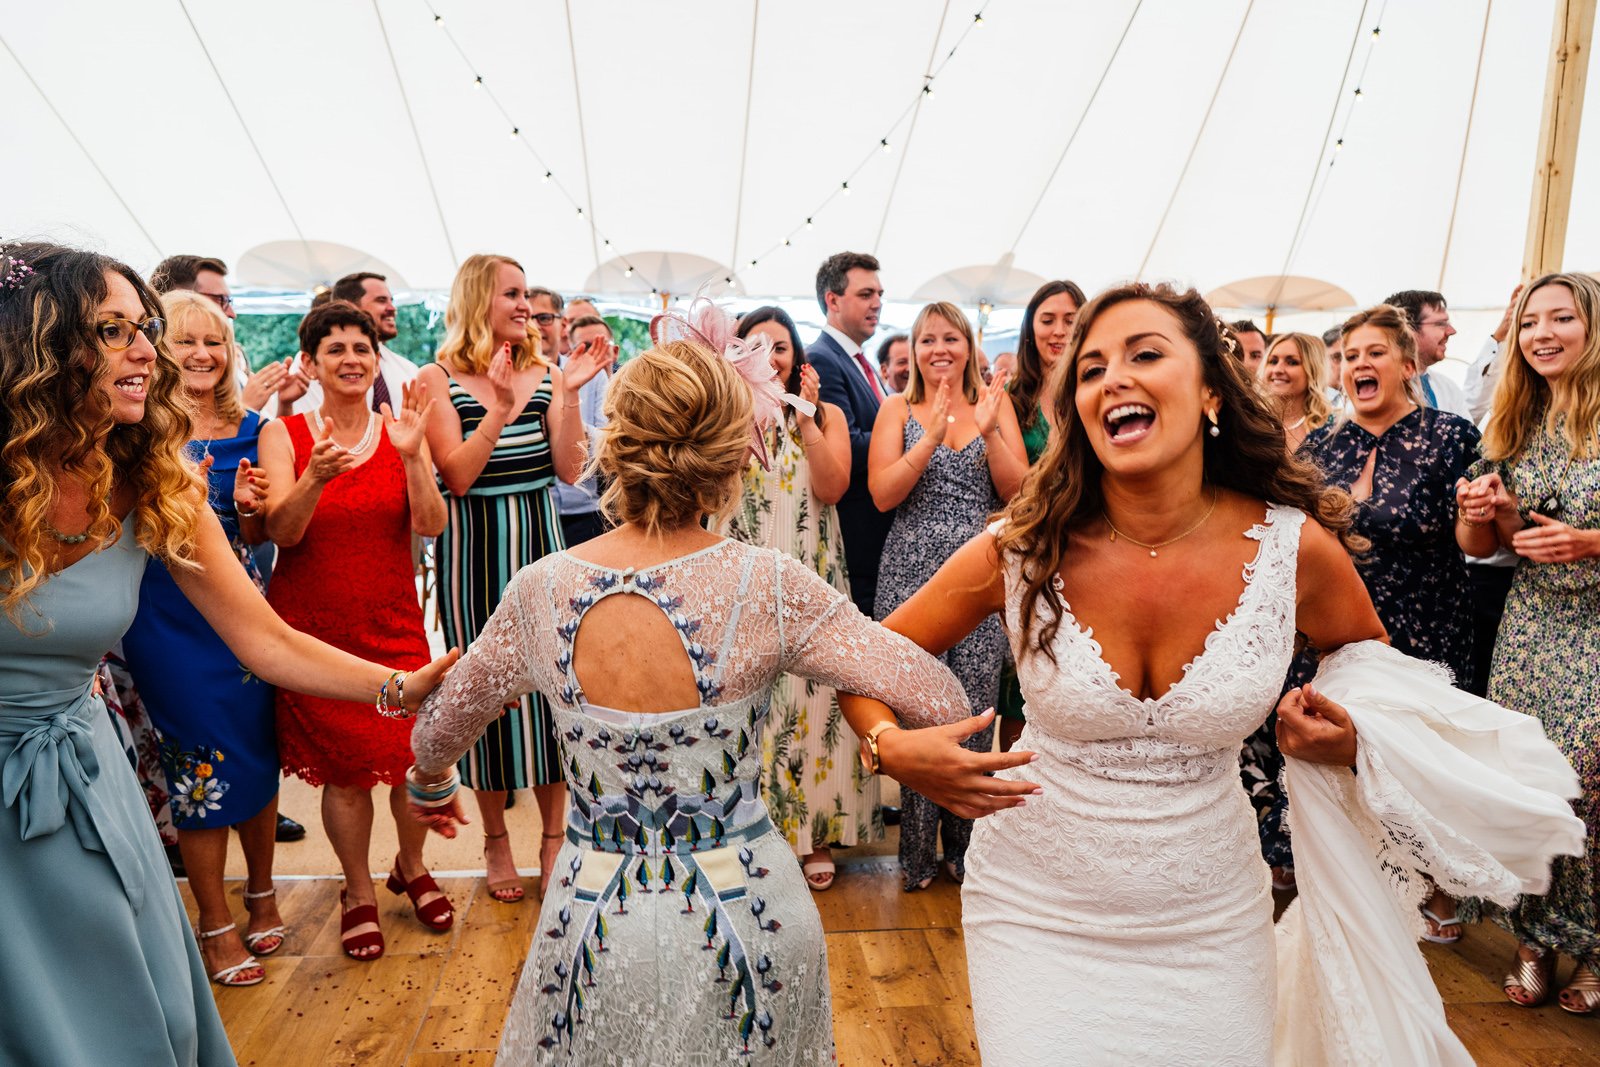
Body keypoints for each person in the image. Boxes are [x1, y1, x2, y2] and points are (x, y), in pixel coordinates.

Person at [839, 280, 1583, 1065]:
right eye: (1090, 370)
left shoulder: (1292, 549)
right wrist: (891, 747)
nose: (1112, 379)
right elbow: (861, 658)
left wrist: (1348, 727)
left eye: (1144, 354)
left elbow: (1367, 661)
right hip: (1037, 909)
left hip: (1211, 920)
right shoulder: (1019, 549)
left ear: (1210, 391)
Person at [405, 319, 1037, 1064]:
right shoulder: (768, 585)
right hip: (750, 920)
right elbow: (938, 696)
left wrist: (428, 783)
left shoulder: (539, 590)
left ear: (616, 442)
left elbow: (435, 733)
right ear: (738, 450)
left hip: (591, 920)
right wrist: (883, 742)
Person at [0, 241, 455, 1066]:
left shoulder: (150, 477)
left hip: (85, 782)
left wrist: (402, 687)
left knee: (127, 1012)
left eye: (146, 328)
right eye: (116, 332)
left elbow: (266, 638)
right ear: (42, 348)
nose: (149, 351)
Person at [259, 301, 452, 960]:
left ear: (377, 359)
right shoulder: (284, 435)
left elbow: (430, 525)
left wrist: (416, 456)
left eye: (360, 348)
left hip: (394, 623)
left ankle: (412, 863)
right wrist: (314, 476)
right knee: (346, 774)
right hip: (316, 633)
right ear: (309, 362)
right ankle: (357, 889)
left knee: (410, 761)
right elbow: (282, 533)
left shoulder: (400, 428)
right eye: (334, 348)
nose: (350, 359)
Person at [416, 259, 609, 904]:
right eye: (513, 294)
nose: (527, 305)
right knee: (489, 695)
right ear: (478, 299)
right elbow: (460, 478)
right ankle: (496, 839)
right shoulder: (436, 380)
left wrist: (574, 393)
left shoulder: (547, 375)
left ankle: (555, 837)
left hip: (543, 544)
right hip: (475, 555)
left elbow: (572, 471)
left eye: (528, 294)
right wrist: (497, 410)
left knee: (555, 688)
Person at [119, 289, 283, 988]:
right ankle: (213, 922)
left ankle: (264, 890)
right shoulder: (133, 433)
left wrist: (250, 511)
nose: (200, 354)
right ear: (159, 352)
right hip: (164, 619)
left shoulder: (255, 427)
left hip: (241, 610)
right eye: (183, 341)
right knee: (197, 766)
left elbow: (264, 536)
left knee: (257, 748)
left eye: (212, 341)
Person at [1457, 272, 1600, 1013]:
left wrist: (1593, 543)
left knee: (1589, 780)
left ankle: (1595, 946)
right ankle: (1533, 939)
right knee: (1526, 775)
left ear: (1593, 325)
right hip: (1533, 621)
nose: (1542, 332)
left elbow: (1576, 541)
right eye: (1531, 321)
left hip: (1597, 628)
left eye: (1562, 318)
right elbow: (1484, 543)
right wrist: (1486, 508)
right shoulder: (1515, 418)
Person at [867, 301, 1027, 889]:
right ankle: (913, 856)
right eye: (928, 339)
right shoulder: (895, 409)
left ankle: (968, 851)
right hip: (909, 570)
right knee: (916, 709)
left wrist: (988, 433)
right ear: (912, 349)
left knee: (977, 707)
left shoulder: (996, 404)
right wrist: (929, 437)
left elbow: (1021, 492)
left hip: (980, 572)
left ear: (968, 346)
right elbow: (883, 493)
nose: (940, 349)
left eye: (951, 338)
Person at [723, 306, 865, 892]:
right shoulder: (728, 417)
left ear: (796, 356)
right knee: (753, 704)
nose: (770, 355)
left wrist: (806, 417)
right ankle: (757, 832)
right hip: (746, 578)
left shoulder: (824, 414)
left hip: (813, 572)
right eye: (756, 345)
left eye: (779, 346)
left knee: (816, 702)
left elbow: (833, 487)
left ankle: (818, 836)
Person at [995, 280, 1086, 750]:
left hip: (1094, 542)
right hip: (1034, 545)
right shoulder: (1014, 396)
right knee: (1023, 683)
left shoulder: (1096, 387)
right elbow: (1015, 485)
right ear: (1031, 328)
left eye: (1070, 319)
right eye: (1047, 319)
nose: (1058, 330)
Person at [807, 252, 891, 617]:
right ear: (833, 300)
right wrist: (911, 435)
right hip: (855, 536)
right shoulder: (822, 358)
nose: (877, 304)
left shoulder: (862, 361)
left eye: (880, 294)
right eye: (866, 294)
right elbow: (849, 448)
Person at [149, 254, 307, 416]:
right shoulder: (143, 397)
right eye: (220, 300)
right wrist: (246, 413)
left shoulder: (230, 372)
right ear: (182, 299)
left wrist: (285, 404)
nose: (232, 313)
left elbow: (279, 440)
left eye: (213, 343)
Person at [294, 271, 420, 416]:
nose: (392, 308)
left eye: (392, 301)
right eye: (381, 300)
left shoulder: (408, 370)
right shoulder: (309, 369)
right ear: (348, 305)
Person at [554, 314, 614, 548]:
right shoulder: (541, 377)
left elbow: (606, 441)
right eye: (584, 346)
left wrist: (571, 427)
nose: (592, 352)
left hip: (586, 506)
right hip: (545, 505)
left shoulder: (599, 378)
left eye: (599, 345)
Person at [1386, 289, 1470, 418]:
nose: (1451, 331)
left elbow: (1469, 437)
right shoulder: (1377, 392)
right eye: (1441, 324)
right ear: (1407, 328)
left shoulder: (1449, 389)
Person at [1259, 331, 1334, 451]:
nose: (1278, 369)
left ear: (1313, 370)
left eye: (1292, 362)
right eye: (1273, 361)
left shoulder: (1330, 430)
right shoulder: (1251, 420)